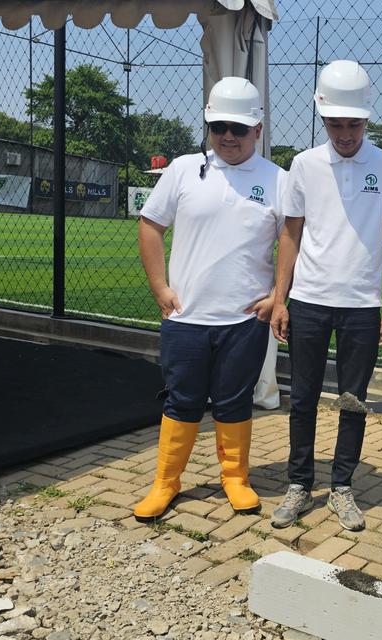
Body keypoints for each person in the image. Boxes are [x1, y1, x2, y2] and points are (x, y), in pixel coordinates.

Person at [132, 77, 284, 520]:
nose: (228, 137)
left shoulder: (278, 179)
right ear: (209, 127)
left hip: (245, 320)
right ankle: (166, 483)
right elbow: (150, 225)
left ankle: (236, 478)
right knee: (182, 401)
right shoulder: (183, 169)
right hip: (186, 318)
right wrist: (160, 288)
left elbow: (295, 244)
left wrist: (278, 295)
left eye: (238, 128)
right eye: (219, 127)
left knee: (235, 401)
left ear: (258, 129)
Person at [269, 60, 382, 532]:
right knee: (303, 397)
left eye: (354, 124)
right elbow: (291, 234)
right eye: (336, 124)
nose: (345, 134)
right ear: (322, 117)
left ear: (366, 118)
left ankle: (343, 487)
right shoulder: (304, 164)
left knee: (353, 400)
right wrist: (281, 298)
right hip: (309, 300)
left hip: (362, 305)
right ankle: (299, 484)